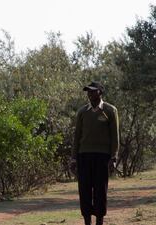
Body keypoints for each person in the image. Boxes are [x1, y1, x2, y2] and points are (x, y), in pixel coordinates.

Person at [70, 81, 119, 225]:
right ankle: (87, 221)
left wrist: (113, 157)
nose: (90, 94)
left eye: (93, 91)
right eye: (88, 91)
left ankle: (99, 221)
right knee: (84, 191)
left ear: (100, 92)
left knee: (100, 191)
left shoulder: (110, 110)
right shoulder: (82, 111)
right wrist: (73, 158)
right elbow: (77, 136)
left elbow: (115, 137)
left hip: (102, 157)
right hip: (83, 156)